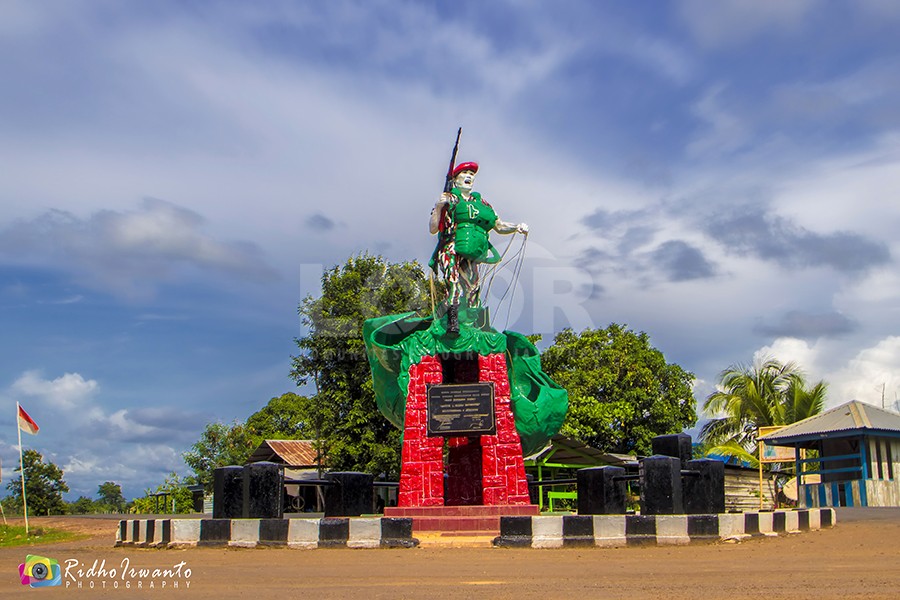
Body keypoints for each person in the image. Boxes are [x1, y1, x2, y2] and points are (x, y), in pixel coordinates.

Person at [429, 161, 527, 333]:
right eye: (465, 173)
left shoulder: (482, 203)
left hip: (472, 251)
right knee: (453, 284)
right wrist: (438, 206)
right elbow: (433, 228)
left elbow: (499, 225)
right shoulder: (449, 198)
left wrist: (516, 227)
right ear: (455, 179)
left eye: (472, 174)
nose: (469, 176)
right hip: (451, 247)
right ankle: (452, 323)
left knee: (473, 288)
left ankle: (472, 324)